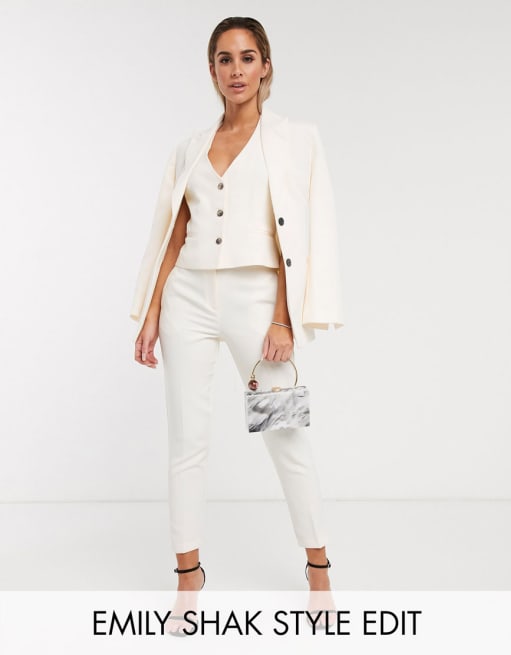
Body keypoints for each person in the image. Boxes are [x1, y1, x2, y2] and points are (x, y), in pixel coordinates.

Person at [130, 16, 344, 634]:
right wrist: (152, 311)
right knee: (186, 440)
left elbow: (298, 233)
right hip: (188, 297)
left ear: (266, 66)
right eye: (225, 59)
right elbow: (173, 233)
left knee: (284, 432)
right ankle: (188, 578)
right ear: (212, 71)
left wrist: (283, 317)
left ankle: (319, 567)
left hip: (258, 298)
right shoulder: (190, 147)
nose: (236, 70)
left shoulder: (295, 139)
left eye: (248, 57)